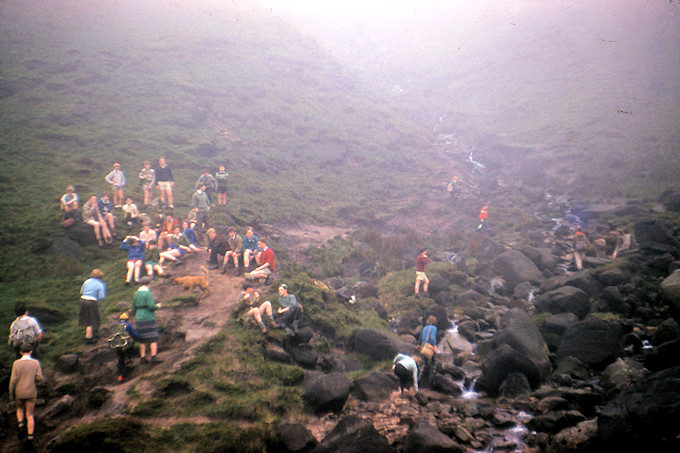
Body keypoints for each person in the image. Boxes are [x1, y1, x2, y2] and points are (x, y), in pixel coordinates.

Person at [9, 343, 43, 447]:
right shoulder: (35, 363)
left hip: (19, 392)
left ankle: (20, 425)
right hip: (31, 391)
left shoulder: (16, 363)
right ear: (31, 351)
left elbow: (13, 380)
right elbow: (39, 378)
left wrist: (11, 394)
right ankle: (30, 437)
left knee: (19, 409)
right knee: (30, 415)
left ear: (20, 352)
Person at [132, 283, 162, 364]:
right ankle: (153, 358)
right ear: (148, 284)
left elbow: (133, 308)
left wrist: (137, 315)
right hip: (148, 318)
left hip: (139, 318)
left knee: (142, 339)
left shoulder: (136, 293)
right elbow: (151, 306)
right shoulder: (147, 293)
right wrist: (158, 306)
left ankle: (142, 358)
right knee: (153, 337)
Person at [108, 312, 141, 382]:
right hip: (125, 346)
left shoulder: (115, 326)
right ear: (127, 319)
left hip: (116, 346)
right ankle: (129, 358)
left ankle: (120, 376)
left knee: (120, 358)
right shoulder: (127, 326)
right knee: (132, 345)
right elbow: (135, 336)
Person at [80, 269, 106, 343]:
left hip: (82, 300)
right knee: (94, 319)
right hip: (91, 301)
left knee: (87, 319)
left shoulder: (86, 281)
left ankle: (88, 336)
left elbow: (81, 291)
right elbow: (102, 297)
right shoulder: (100, 284)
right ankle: (92, 336)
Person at [417, 316, 438, 386]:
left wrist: (419, 345)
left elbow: (421, 337)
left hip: (423, 346)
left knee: (422, 364)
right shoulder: (434, 328)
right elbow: (432, 338)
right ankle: (431, 382)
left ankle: (417, 381)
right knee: (433, 364)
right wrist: (434, 346)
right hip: (429, 347)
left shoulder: (425, 328)